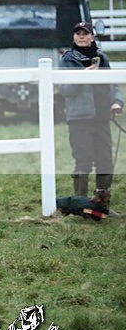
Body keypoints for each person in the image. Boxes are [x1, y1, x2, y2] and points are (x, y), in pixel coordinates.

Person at [58, 21, 123, 211]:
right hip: (79, 119)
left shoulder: (102, 58)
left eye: (85, 33)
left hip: (102, 117)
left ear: (91, 37)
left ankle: (102, 203)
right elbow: (65, 90)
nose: (81, 36)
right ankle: (80, 204)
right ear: (73, 37)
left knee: (105, 161)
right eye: (77, 33)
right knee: (83, 160)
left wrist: (117, 102)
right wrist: (82, 76)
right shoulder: (67, 60)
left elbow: (113, 84)